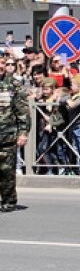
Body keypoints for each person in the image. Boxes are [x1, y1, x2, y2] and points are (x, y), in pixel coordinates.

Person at [0, 63, 30, 212]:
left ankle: (8, 201)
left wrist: (23, 133)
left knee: (6, 172)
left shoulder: (14, 84)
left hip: (6, 136)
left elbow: (23, 111)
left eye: (2, 63)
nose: (1, 66)